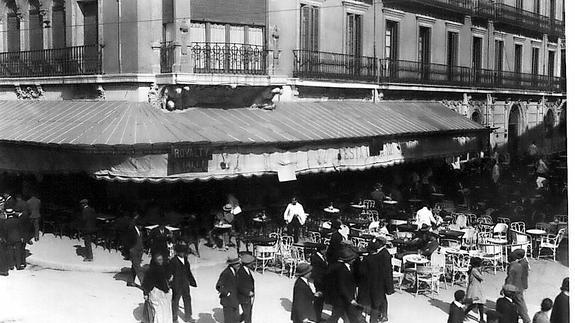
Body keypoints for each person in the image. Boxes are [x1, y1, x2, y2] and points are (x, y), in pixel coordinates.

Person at [357, 237, 394, 323]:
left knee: (373, 301)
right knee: (378, 300)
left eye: (377, 242)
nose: (375, 243)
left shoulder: (383, 255)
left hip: (377, 283)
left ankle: (380, 316)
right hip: (377, 283)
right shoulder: (379, 253)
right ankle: (381, 316)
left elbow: (387, 271)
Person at [327, 247, 365, 323]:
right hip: (341, 300)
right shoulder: (341, 270)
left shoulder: (348, 267)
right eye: (352, 258)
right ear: (347, 260)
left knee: (352, 316)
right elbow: (342, 286)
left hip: (346, 299)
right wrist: (351, 299)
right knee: (335, 317)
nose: (354, 260)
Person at [169, 241, 197, 323]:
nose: (182, 254)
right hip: (176, 284)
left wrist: (191, 281)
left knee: (187, 299)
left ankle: (188, 317)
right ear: (177, 252)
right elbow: (169, 272)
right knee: (175, 301)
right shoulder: (173, 261)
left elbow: (188, 271)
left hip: (185, 283)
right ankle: (174, 318)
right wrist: (169, 283)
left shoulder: (185, 260)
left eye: (184, 252)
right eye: (181, 252)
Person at [142, 253, 173, 323]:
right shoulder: (151, 271)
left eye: (161, 259)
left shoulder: (164, 268)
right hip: (156, 294)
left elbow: (167, 280)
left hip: (164, 294)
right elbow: (147, 284)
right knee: (158, 312)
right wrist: (146, 293)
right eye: (159, 260)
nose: (161, 261)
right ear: (155, 261)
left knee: (166, 311)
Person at [505, 249, 530, 323]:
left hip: (515, 287)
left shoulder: (516, 265)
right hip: (520, 285)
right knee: (519, 301)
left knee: (519, 302)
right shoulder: (523, 263)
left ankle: (526, 318)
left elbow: (510, 278)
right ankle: (520, 313)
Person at [216, 257, 241, 323]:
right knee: (229, 320)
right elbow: (218, 286)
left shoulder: (236, 271)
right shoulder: (226, 273)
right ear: (233, 265)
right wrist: (227, 293)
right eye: (238, 264)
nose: (239, 266)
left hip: (235, 300)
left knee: (236, 319)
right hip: (228, 301)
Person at [125, 212, 145, 287]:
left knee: (134, 266)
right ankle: (144, 284)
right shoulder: (131, 229)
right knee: (138, 267)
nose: (141, 227)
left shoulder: (140, 231)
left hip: (140, 250)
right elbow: (127, 240)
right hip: (133, 250)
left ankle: (130, 281)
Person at [465, 257, 486, 323]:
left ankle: (482, 318)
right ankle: (464, 313)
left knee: (479, 304)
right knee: (475, 304)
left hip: (476, 289)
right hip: (474, 290)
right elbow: (481, 278)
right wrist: (481, 271)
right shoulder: (474, 270)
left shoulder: (474, 269)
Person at [310, 244, 328, 321]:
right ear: (322, 250)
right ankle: (316, 317)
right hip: (319, 280)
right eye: (325, 249)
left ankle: (317, 316)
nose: (326, 251)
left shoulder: (321, 257)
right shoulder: (316, 258)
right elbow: (318, 270)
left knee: (320, 300)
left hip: (321, 280)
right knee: (319, 300)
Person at [237, 254, 255, 323]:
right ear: (247, 264)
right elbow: (239, 286)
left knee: (247, 313)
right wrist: (247, 292)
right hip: (244, 297)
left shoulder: (247, 269)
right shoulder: (240, 271)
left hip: (248, 296)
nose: (253, 264)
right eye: (251, 263)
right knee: (248, 315)